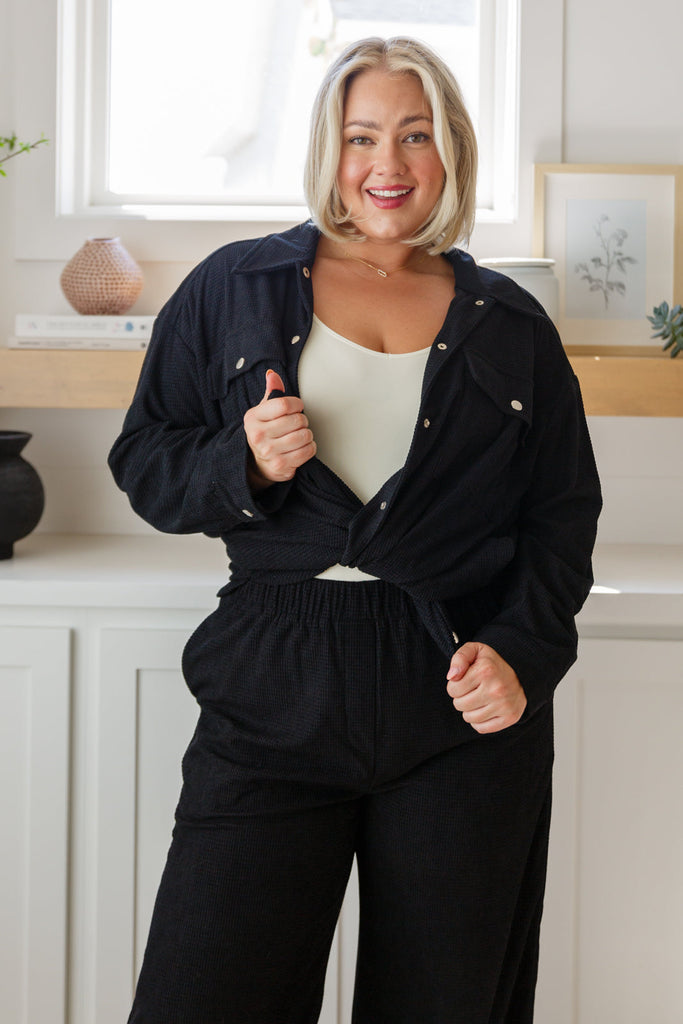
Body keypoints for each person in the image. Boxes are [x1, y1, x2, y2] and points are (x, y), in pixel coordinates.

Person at [109, 35, 601, 1024]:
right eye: (360, 136)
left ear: (449, 150)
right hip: (271, 681)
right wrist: (241, 462)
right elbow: (146, 463)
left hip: (456, 694)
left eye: (414, 135)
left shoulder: (511, 323)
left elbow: (560, 519)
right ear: (326, 150)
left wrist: (519, 652)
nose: (387, 164)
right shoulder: (232, 286)